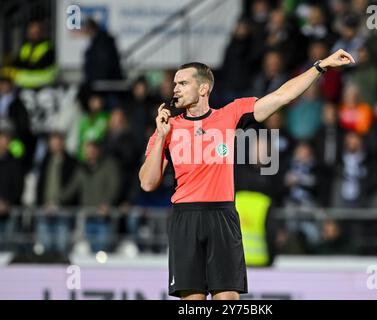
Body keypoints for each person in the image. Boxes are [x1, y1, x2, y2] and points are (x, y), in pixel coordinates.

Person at [139, 49, 355, 300]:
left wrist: (320, 66)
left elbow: (282, 96)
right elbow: (147, 182)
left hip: (222, 216)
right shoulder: (168, 128)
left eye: (183, 82)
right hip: (185, 218)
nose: (175, 88)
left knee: (228, 300)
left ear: (203, 89)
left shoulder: (229, 115)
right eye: (175, 83)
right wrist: (161, 137)